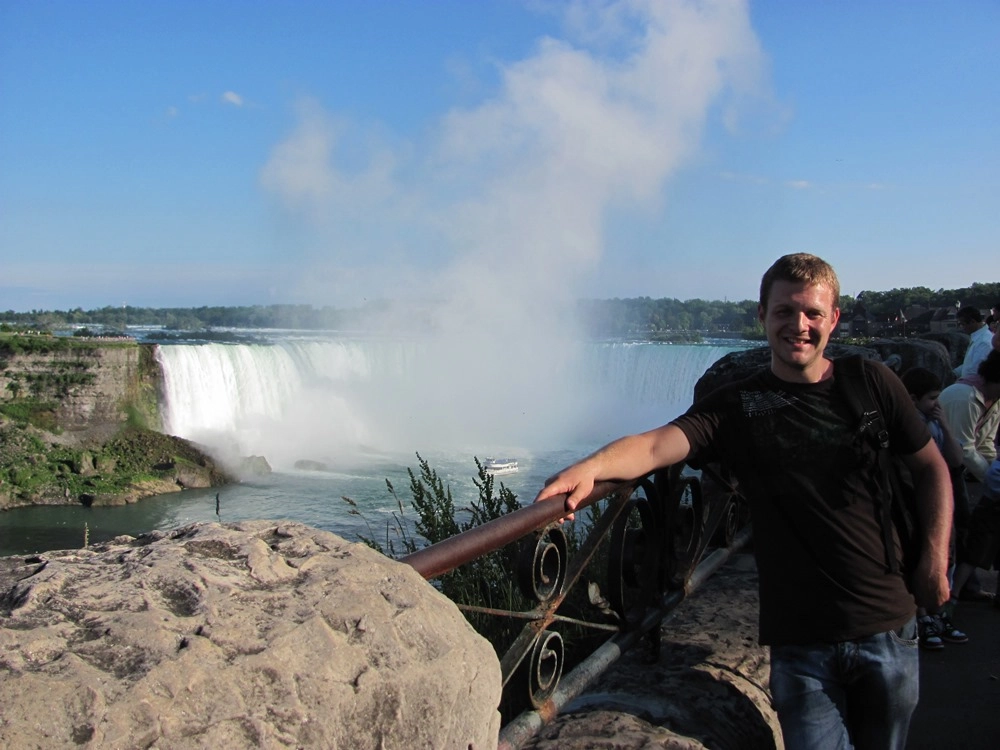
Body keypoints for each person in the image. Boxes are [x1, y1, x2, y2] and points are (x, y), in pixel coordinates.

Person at [536, 253, 952, 750]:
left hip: (887, 625)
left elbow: (931, 468)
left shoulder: (870, 382)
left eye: (813, 313)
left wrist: (934, 559)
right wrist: (590, 467)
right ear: (762, 315)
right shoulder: (738, 406)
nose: (799, 325)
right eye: (784, 311)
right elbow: (655, 446)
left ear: (834, 318)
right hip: (800, 643)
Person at [900, 367, 968, 649]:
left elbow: (956, 460)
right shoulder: (909, 426)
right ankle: (923, 615)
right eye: (931, 398)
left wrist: (946, 427)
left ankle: (938, 613)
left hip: (941, 495)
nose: (937, 404)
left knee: (945, 555)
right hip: (915, 499)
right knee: (918, 553)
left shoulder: (936, 423)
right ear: (913, 399)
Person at [939, 350, 1000, 484]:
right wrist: (991, 479)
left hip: (957, 463)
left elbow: (986, 443)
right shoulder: (965, 398)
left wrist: (994, 471)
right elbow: (964, 448)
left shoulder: (995, 399)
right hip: (941, 462)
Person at [953, 306, 993, 378]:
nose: (961, 327)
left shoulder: (984, 342)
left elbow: (976, 371)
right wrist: (954, 373)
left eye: (963, 324)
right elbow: (969, 365)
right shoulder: (979, 337)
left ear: (972, 321)